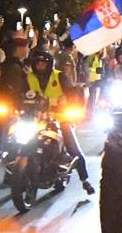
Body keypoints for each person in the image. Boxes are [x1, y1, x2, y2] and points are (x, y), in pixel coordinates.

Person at [24, 50, 93, 192]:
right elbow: (20, 94)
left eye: (44, 63)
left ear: (49, 64)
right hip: (37, 118)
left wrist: (63, 102)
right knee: (18, 139)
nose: (40, 66)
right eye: (38, 63)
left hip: (60, 117)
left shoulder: (60, 76)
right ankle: (11, 173)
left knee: (74, 149)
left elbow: (73, 93)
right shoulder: (28, 77)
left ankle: (85, 180)